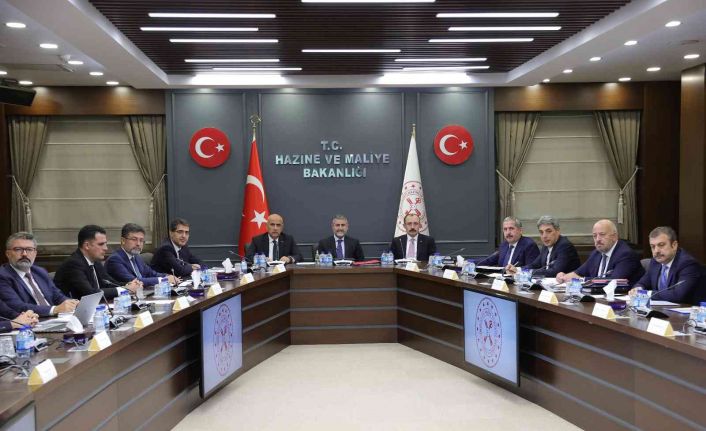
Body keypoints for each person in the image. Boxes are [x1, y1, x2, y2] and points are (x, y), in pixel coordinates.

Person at [0, 232, 78, 317]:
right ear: (8, 254)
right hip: (31, 321)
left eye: (29, 249)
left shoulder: (40, 272)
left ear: (35, 253)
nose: (24, 254)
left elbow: (57, 296)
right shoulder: (3, 276)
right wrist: (54, 309)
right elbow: (17, 306)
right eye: (18, 249)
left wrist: (73, 304)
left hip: (55, 319)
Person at [54, 225, 141, 300]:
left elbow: (109, 283)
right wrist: (125, 289)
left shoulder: (95, 261)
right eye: (101, 244)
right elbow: (90, 293)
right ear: (87, 245)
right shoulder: (73, 264)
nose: (106, 248)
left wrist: (129, 284)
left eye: (105, 244)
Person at [557, 219, 644, 285]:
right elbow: (578, 273)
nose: (598, 239)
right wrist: (563, 276)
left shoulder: (626, 255)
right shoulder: (596, 253)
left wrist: (582, 280)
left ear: (614, 236)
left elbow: (613, 282)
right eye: (594, 236)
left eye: (602, 234)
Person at [629, 226, 703, 304]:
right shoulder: (655, 262)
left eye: (661, 245)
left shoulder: (687, 264)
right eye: (653, 247)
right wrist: (638, 289)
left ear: (674, 245)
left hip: (686, 310)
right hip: (659, 309)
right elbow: (642, 283)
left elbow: (677, 295)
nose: (656, 251)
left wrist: (647, 293)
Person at [106, 223, 179, 287]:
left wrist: (169, 276)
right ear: (123, 240)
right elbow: (134, 281)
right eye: (134, 239)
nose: (138, 244)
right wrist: (164, 280)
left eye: (141, 240)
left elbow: (151, 273)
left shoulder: (136, 257)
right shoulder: (115, 260)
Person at [508, 215, 580, 278]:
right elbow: (535, 265)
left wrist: (527, 272)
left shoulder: (564, 246)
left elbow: (554, 272)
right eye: (541, 232)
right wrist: (517, 269)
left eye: (548, 231)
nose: (544, 236)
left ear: (558, 231)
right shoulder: (546, 245)